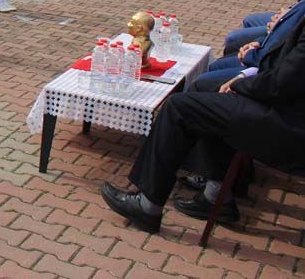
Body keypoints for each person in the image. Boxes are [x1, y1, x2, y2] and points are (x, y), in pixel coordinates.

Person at [100, 13, 305, 233]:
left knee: (179, 107)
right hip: (286, 108)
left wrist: (240, 83)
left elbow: (281, 83)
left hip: (288, 123)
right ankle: (217, 196)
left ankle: (147, 205)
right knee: (211, 95)